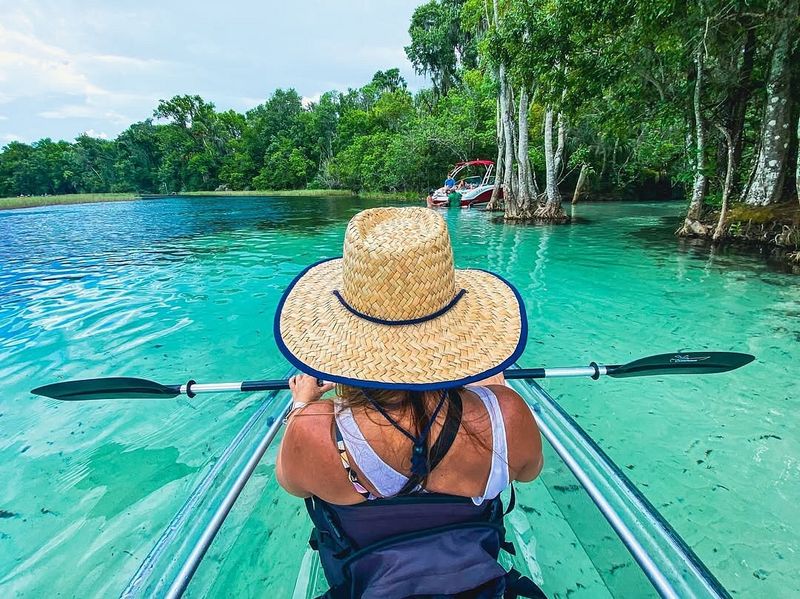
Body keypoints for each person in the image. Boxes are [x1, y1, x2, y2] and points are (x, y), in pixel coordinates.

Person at [275, 207, 545, 599]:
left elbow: (294, 486)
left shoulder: (312, 428)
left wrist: (301, 405)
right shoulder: (507, 413)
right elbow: (529, 472)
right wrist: (490, 394)